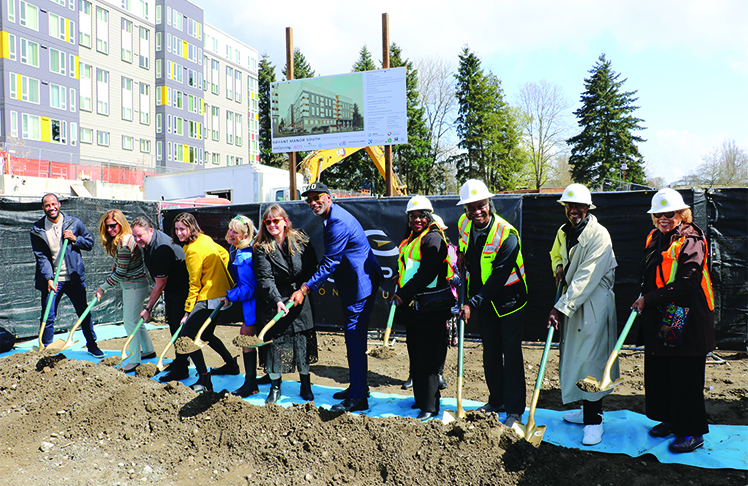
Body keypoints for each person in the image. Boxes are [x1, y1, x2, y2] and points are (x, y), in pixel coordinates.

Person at [631, 188, 715, 453]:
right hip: (663, 312)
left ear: (682, 214)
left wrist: (649, 299)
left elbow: (688, 282)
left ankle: (692, 431)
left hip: (686, 314)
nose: (663, 219)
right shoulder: (655, 237)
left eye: (669, 213)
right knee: (664, 370)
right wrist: (645, 295)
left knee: (685, 374)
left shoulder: (691, 240)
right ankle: (670, 419)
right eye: (658, 214)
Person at [289, 182, 382, 412]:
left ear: (329, 197)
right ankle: (359, 388)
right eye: (309, 200)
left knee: (355, 340)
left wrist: (304, 288)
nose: (313, 202)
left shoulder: (337, 222)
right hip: (357, 282)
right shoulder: (332, 216)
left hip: (359, 286)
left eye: (317, 197)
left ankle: (358, 398)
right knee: (353, 340)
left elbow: (331, 262)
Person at [547, 184, 618, 446]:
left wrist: (560, 307)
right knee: (577, 358)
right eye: (570, 206)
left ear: (588, 208)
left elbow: (587, 277)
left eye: (579, 206)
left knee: (591, 362)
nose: (574, 210)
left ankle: (594, 421)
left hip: (593, 305)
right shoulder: (564, 231)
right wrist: (558, 266)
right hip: (574, 302)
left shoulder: (599, 235)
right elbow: (556, 253)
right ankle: (584, 410)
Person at [456, 180, 528, 428]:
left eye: (481, 206)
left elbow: (498, 278)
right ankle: (496, 401)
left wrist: (471, 304)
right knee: (490, 353)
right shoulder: (464, 223)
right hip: (483, 303)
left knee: (511, 354)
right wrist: (462, 253)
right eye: (471, 207)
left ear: (489, 204)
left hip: (509, 301)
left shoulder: (507, 236)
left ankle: (515, 410)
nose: (476, 211)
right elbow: (463, 242)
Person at [393, 196, 454, 421]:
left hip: (431, 307)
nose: (417, 220)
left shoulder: (433, 238)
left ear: (429, 217)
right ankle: (420, 399)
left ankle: (430, 406)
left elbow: (427, 272)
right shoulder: (412, 239)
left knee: (428, 358)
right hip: (416, 306)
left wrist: (403, 293)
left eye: (421, 216)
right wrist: (400, 281)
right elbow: (409, 266)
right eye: (413, 216)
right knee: (416, 354)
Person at [254, 205, 319, 404]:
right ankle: (275, 387)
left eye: (276, 220)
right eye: (268, 222)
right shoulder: (261, 247)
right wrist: (277, 301)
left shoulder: (301, 240)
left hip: (299, 300)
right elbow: (265, 279)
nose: (272, 225)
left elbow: (312, 268)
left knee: (301, 344)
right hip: (273, 303)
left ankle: (305, 384)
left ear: (285, 221)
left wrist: (303, 290)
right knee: (275, 347)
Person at [30, 194, 102, 357]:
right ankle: (46, 349)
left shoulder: (73, 223)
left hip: (74, 279)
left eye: (53, 204)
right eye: (47, 205)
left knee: (83, 313)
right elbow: (41, 257)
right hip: (52, 280)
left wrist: (74, 238)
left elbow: (89, 243)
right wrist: (49, 278)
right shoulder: (37, 229)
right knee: (48, 315)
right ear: (43, 207)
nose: (51, 208)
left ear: (59, 204)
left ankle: (92, 345)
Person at [170, 212, 235, 392]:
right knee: (205, 334)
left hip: (209, 296)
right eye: (176, 229)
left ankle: (204, 379)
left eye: (183, 229)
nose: (179, 233)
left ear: (191, 228)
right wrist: (217, 273)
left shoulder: (192, 251)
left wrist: (187, 311)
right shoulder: (204, 238)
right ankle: (231, 364)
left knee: (186, 338)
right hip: (223, 293)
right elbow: (224, 254)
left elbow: (194, 284)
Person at [94, 210, 156, 372]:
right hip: (136, 285)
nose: (110, 229)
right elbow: (123, 265)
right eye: (107, 226)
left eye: (113, 225)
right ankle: (148, 350)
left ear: (121, 224)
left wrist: (102, 288)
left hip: (134, 287)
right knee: (135, 321)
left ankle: (134, 360)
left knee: (129, 323)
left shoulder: (124, 244)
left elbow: (120, 273)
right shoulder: (126, 239)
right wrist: (117, 264)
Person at [131, 217, 191, 380]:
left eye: (140, 236)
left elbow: (160, 284)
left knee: (179, 328)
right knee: (173, 324)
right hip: (172, 289)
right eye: (134, 236)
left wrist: (148, 309)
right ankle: (180, 361)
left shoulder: (160, 250)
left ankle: (182, 368)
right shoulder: (150, 241)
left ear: (150, 230)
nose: (137, 239)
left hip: (181, 290)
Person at [218, 215, 259, 397]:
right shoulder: (236, 249)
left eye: (235, 232)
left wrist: (230, 296)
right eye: (230, 229)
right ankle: (256, 380)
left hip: (256, 303)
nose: (230, 234)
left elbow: (249, 288)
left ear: (245, 235)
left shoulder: (245, 255)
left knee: (246, 336)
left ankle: (251, 383)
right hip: (252, 302)